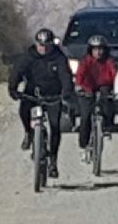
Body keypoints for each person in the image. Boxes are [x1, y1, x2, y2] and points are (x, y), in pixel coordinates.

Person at [7, 28, 75, 178]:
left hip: (53, 95)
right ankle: (29, 133)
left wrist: (66, 91)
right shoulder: (28, 56)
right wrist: (13, 88)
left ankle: (53, 161)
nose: (43, 48)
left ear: (51, 44)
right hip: (33, 93)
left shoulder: (59, 57)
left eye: (46, 45)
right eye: (40, 45)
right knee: (23, 110)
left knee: (55, 126)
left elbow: (65, 75)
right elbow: (17, 71)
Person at [75, 34, 117, 162]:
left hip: (104, 87)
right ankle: (83, 146)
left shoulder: (109, 61)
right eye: (95, 49)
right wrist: (79, 87)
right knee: (85, 117)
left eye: (101, 49)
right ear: (90, 50)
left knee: (108, 103)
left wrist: (116, 88)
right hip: (87, 89)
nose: (98, 52)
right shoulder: (85, 62)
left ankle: (107, 127)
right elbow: (79, 77)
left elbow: (115, 75)